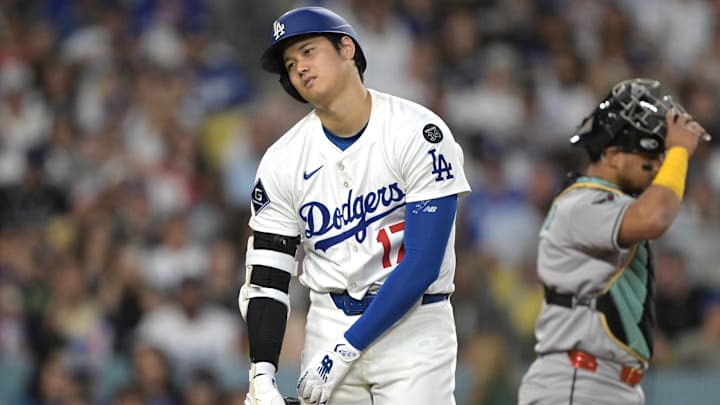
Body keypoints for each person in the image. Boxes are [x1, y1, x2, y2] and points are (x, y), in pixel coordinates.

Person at [238, 6, 471, 405]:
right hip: (329, 317)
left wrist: (345, 350)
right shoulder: (282, 160)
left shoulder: (418, 132)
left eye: (308, 52)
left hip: (412, 323)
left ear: (347, 48)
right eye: (291, 65)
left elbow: (422, 263)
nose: (300, 69)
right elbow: (267, 277)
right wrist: (262, 373)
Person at [517, 78, 709, 405]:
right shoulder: (581, 204)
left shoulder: (605, 203)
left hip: (607, 383)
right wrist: (679, 152)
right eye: (650, 153)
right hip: (577, 381)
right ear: (613, 155)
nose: (660, 165)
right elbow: (655, 218)